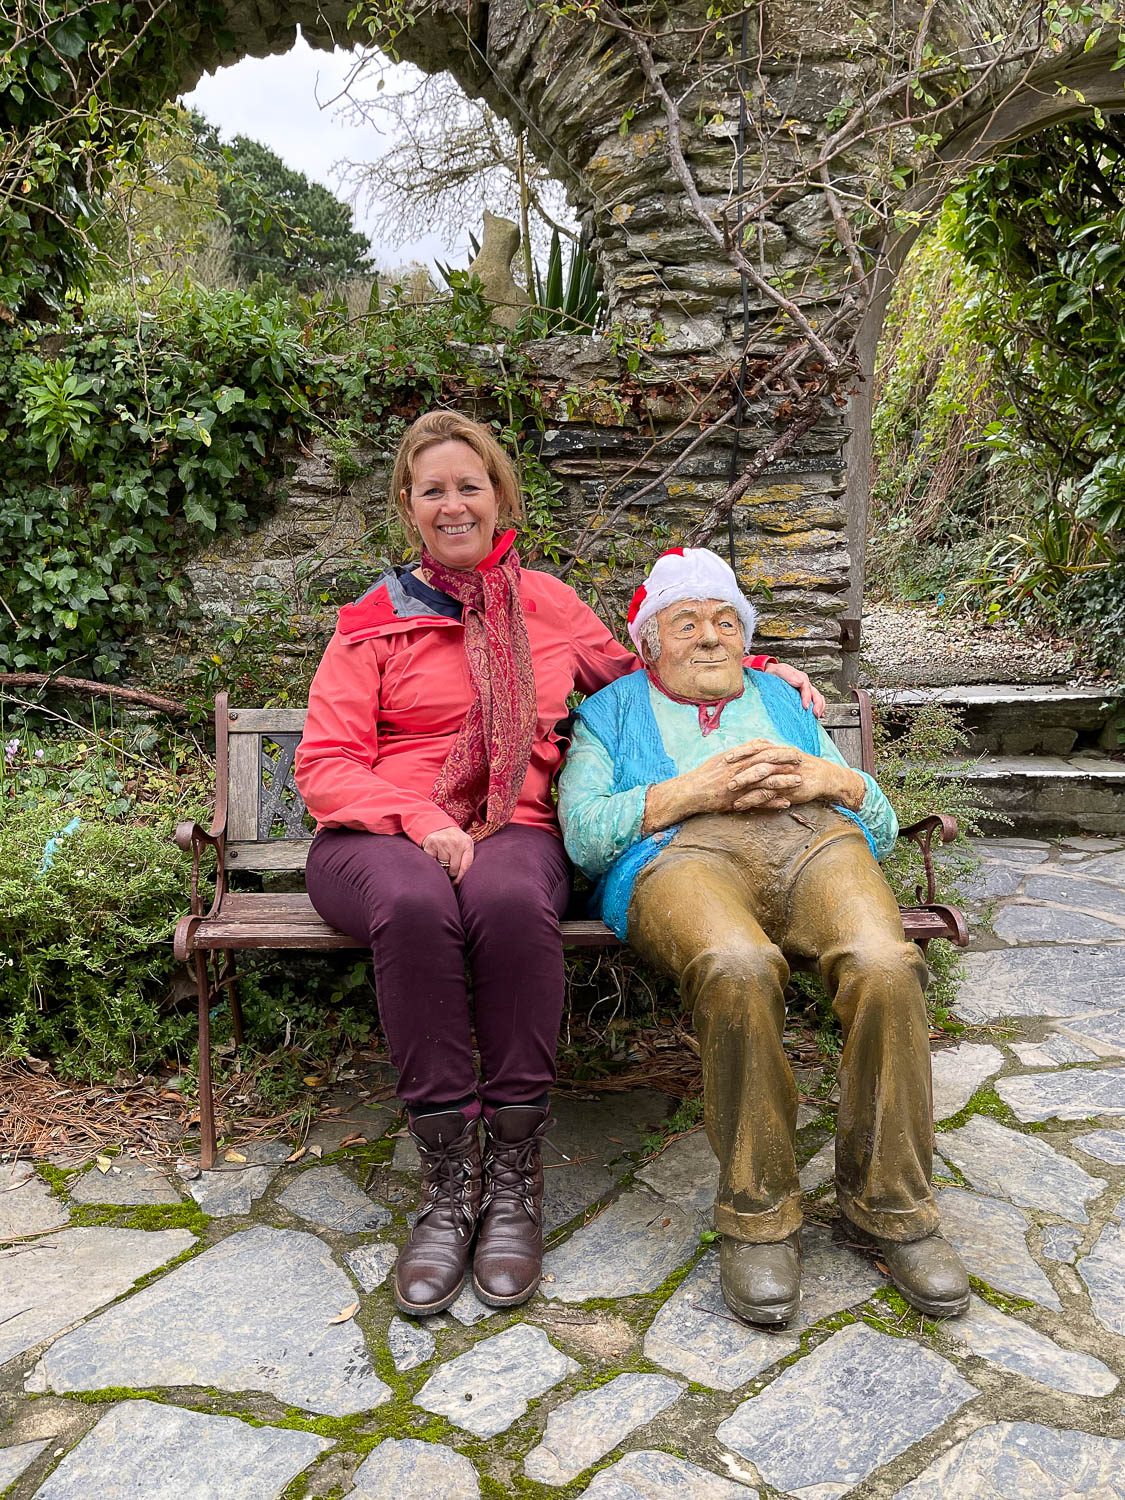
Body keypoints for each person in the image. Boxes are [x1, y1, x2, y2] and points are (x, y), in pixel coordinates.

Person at [293, 414, 823, 1318]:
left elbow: (642, 673)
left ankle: (511, 1177)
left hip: (513, 826)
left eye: (470, 485)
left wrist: (758, 671)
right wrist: (418, 819)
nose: (453, 503)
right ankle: (447, 1181)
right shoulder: (373, 622)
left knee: (505, 902)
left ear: (500, 496)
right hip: (377, 837)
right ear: (409, 507)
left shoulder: (546, 605)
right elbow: (325, 762)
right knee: (417, 906)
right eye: (433, 490)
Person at [557, 547, 971, 1325]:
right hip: (679, 855)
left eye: (724, 621)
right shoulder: (609, 710)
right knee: (736, 965)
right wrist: (689, 792)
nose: (710, 636)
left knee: (886, 962)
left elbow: (876, 826)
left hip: (815, 841)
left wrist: (836, 781)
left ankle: (892, 1207)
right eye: (686, 623)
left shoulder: (786, 702)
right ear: (648, 643)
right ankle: (758, 1216)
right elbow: (582, 833)